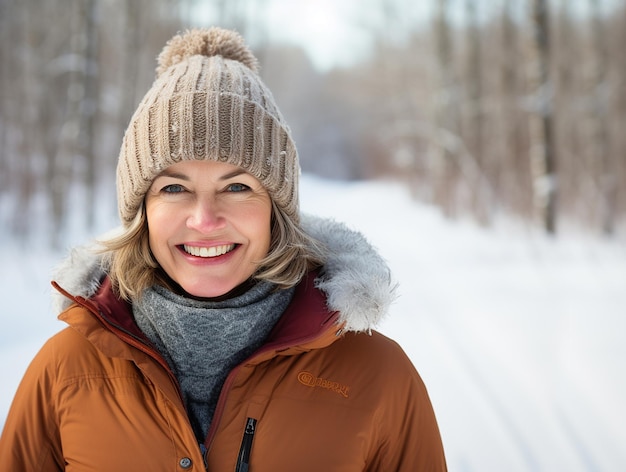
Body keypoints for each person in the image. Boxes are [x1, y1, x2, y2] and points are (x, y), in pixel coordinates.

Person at [0, 27, 447, 471]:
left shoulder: (377, 376)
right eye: (174, 188)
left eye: (236, 186)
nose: (205, 219)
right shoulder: (64, 373)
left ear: (276, 208)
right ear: (142, 212)